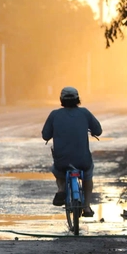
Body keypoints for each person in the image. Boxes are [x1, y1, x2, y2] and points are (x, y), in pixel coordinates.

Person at [42, 87, 102, 217]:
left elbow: (45, 135)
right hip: (83, 161)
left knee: (57, 170)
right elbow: (98, 130)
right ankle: (86, 207)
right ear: (78, 99)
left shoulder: (54, 114)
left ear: (61, 100)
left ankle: (61, 189)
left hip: (62, 162)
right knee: (88, 174)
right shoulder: (85, 113)